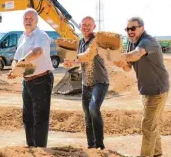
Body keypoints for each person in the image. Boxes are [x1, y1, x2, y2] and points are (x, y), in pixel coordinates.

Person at [115, 17, 170, 157]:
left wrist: (120, 56)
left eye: (133, 28)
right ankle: (157, 153)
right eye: (127, 29)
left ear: (142, 28)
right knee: (152, 124)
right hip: (145, 89)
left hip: (157, 90)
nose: (130, 31)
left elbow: (136, 54)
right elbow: (128, 68)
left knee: (147, 125)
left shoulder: (147, 41)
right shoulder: (131, 44)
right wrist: (119, 63)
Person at [8, 8, 54, 147]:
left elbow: (37, 51)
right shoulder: (23, 37)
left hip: (41, 80)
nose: (28, 21)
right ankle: (31, 148)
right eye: (26, 19)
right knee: (27, 118)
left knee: (40, 118)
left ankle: (40, 150)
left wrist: (21, 62)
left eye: (31, 19)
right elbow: (15, 58)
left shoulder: (41, 36)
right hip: (27, 81)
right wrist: (14, 70)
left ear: (36, 21)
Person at [64, 16, 109, 150]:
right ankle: (91, 146)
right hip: (86, 83)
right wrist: (69, 63)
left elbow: (88, 55)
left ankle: (100, 146)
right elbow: (81, 61)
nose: (86, 27)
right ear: (80, 26)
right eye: (84, 25)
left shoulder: (97, 41)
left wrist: (75, 59)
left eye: (89, 25)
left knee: (93, 108)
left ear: (94, 26)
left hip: (100, 82)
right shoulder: (80, 42)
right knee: (87, 114)